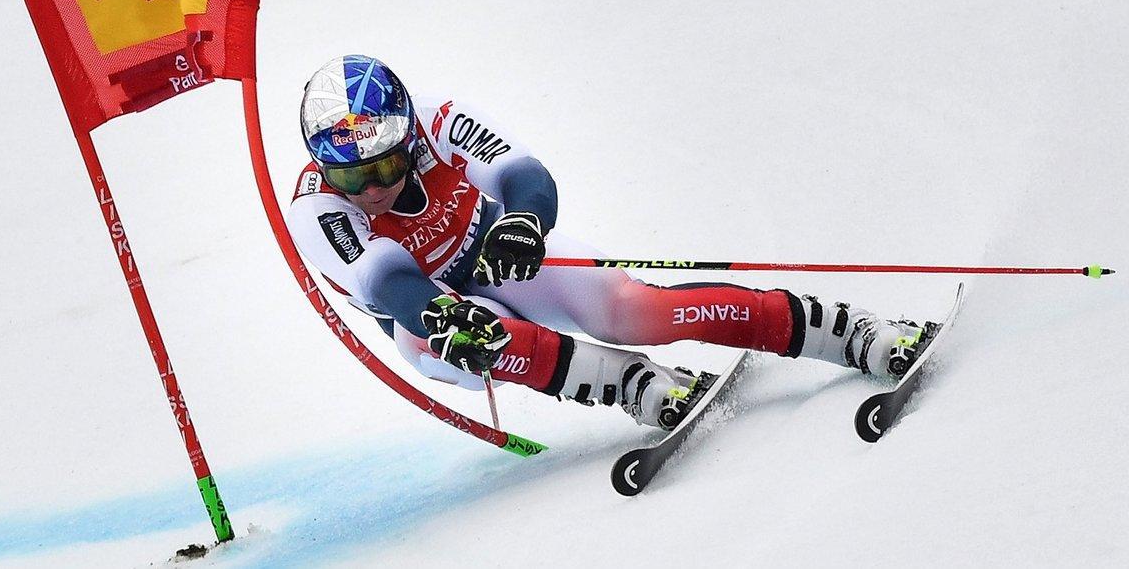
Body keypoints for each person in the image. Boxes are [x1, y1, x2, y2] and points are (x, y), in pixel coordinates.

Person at [285, 55, 928, 430]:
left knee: (633, 311)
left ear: (408, 141)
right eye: (351, 175)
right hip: (423, 312)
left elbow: (520, 171)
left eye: (385, 168)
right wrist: (436, 311)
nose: (370, 189)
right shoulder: (318, 206)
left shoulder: (430, 117)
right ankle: (630, 386)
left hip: (491, 250)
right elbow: (387, 281)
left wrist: (524, 221)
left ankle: (847, 331)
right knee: (460, 342)